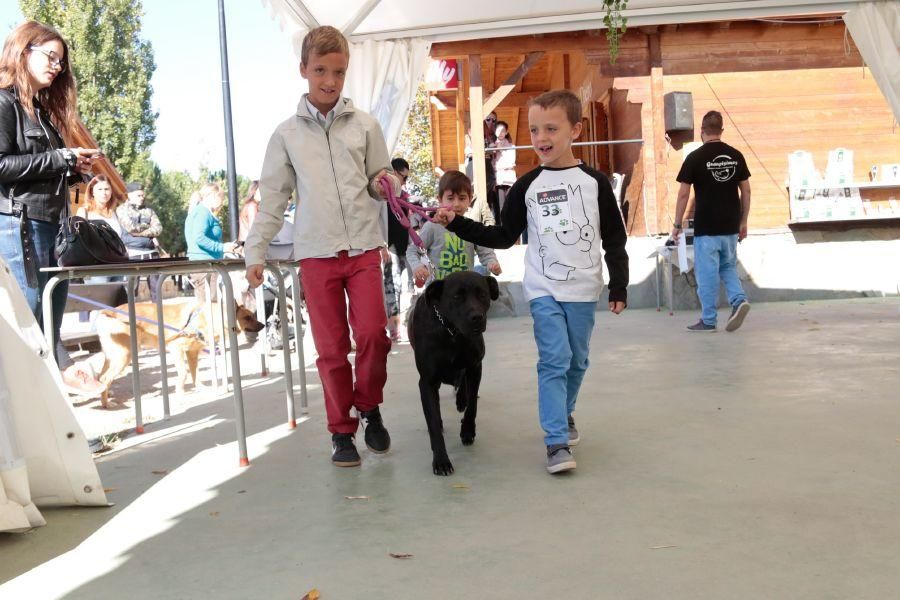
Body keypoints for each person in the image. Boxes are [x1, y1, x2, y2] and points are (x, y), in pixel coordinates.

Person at [434, 90, 629, 474]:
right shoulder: (527, 186)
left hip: (583, 288)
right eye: (535, 129)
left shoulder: (595, 183)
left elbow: (614, 237)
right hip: (542, 288)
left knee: (577, 360)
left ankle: (565, 411)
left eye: (551, 128)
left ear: (575, 129)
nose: (541, 138)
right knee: (554, 360)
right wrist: (456, 221)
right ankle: (556, 440)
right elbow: (504, 235)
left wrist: (619, 283)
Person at [243, 25, 402, 468]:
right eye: (320, 71)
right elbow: (272, 199)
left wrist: (384, 182)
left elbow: (378, 179)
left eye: (338, 72)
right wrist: (255, 252)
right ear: (303, 70)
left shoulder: (366, 125)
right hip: (315, 254)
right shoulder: (286, 135)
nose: (330, 80)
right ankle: (341, 431)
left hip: (364, 249)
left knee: (373, 334)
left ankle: (369, 405)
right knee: (332, 347)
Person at [0, 21, 105, 396]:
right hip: (18, 227)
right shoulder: (3, 102)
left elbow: (44, 166)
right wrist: (60, 158)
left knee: (48, 329)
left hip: (52, 228)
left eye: (61, 61)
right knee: (27, 332)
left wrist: (74, 169)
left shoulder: (41, 114)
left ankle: (56, 433)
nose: (57, 66)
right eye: (50, 56)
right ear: (23, 50)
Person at [671, 110, 751, 333]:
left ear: (702, 132)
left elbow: (683, 194)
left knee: (706, 275)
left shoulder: (694, 158)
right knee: (727, 266)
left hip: (707, 228)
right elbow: (746, 190)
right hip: (731, 225)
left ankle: (708, 320)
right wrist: (743, 220)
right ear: (722, 131)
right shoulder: (736, 155)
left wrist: (677, 225)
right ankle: (738, 299)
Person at [407, 170, 501, 287]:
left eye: (462, 198)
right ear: (440, 200)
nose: (456, 204)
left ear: (470, 199)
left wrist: (492, 263)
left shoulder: (472, 226)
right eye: (450, 198)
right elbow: (412, 251)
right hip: (439, 291)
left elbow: (485, 252)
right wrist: (417, 266)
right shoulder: (432, 226)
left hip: (465, 291)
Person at [185, 183, 239, 301]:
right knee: (209, 307)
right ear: (213, 196)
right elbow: (199, 238)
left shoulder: (199, 211)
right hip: (205, 265)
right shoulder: (203, 212)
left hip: (203, 264)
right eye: (222, 197)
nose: (222, 202)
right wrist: (222, 248)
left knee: (207, 305)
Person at [116, 181, 163, 300]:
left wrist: (140, 232)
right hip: (132, 254)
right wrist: (148, 228)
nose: (142, 198)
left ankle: (158, 316)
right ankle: (130, 317)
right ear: (129, 195)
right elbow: (130, 227)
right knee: (130, 291)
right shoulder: (122, 209)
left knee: (157, 291)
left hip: (151, 253)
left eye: (143, 195)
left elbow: (158, 229)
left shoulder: (149, 210)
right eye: (138, 195)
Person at [384, 157, 414, 340]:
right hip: (389, 249)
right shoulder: (382, 197)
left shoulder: (402, 198)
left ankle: (397, 326)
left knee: (400, 288)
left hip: (402, 248)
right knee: (391, 288)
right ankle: (393, 328)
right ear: (394, 174)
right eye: (404, 177)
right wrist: (383, 247)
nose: (404, 182)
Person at [76, 174, 123, 282]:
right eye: (100, 189)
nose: (104, 193)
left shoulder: (115, 212)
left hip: (118, 264)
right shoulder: (84, 212)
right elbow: (79, 240)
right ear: (92, 191)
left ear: (111, 191)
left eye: (107, 189)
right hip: (95, 266)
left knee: (120, 297)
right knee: (98, 298)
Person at [492, 120, 517, 225]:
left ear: (506, 132)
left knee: (511, 204)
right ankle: (503, 228)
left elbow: (511, 163)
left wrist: (499, 164)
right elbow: (493, 164)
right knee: (501, 205)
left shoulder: (511, 146)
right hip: (499, 179)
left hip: (510, 178)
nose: (500, 133)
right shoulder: (492, 147)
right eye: (498, 130)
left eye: (503, 130)